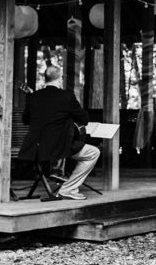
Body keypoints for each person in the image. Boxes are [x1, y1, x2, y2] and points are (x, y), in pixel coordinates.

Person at [19, 65, 100, 201]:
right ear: (60, 79)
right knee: (94, 152)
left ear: (45, 79)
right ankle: (68, 189)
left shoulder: (33, 97)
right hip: (59, 148)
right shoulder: (66, 96)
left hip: (35, 149)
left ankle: (60, 176)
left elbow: (25, 120)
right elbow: (84, 119)